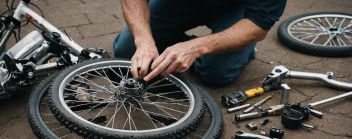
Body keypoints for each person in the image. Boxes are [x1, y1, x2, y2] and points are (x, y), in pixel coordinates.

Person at [113, 0, 287, 86]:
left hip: (238, 8)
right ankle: (179, 47)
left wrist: (196, 48)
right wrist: (144, 41)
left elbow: (259, 23)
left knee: (216, 73)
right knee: (126, 50)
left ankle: (245, 48)